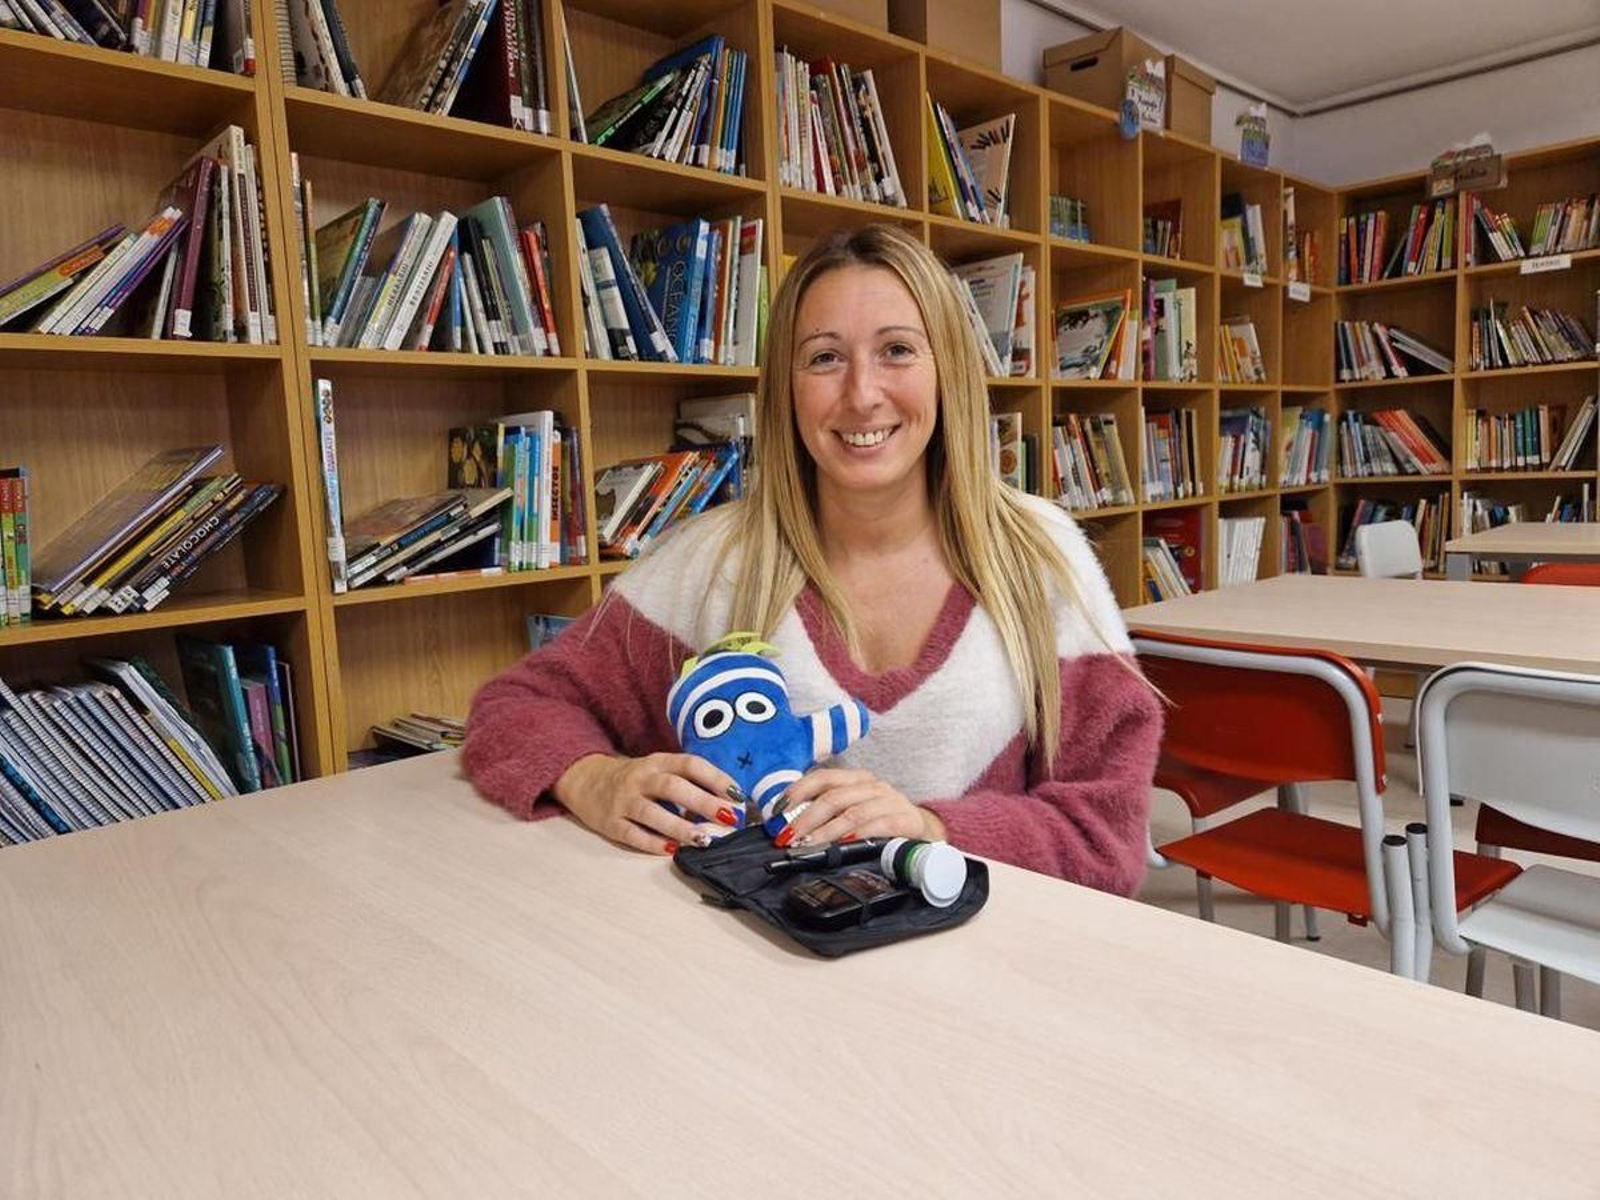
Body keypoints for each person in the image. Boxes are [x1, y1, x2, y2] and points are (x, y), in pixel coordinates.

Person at [463, 223, 1162, 895]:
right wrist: (593, 778)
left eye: (897, 350)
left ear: (948, 370)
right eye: (824, 358)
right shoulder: (711, 561)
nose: (862, 395)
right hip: (749, 958)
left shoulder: (1040, 555)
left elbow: (1107, 837)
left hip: (982, 958)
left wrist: (932, 831)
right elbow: (515, 706)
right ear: (785, 390)